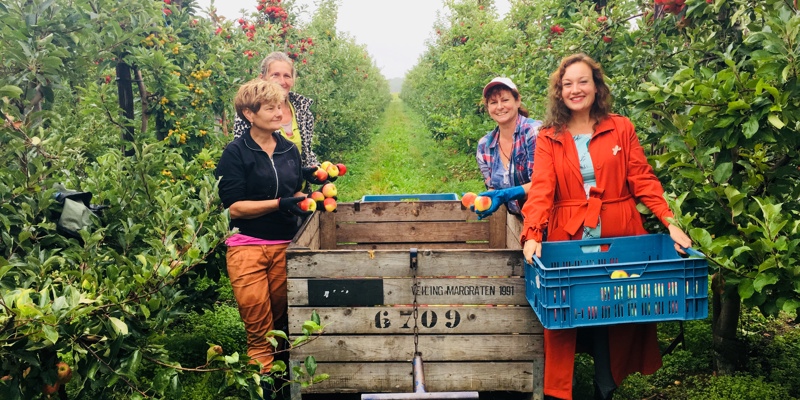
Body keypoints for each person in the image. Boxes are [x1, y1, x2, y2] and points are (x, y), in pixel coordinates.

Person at [519, 54, 693, 400]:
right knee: (571, 306)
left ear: (597, 87)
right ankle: (563, 388)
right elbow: (541, 189)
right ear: (559, 92)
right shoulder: (548, 136)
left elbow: (642, 179)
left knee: (614, 307)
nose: (575, 89)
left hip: (619, 231)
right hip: (570, 235)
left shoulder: (620, 127)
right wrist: (533, 233)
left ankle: (605, 386)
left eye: (583, 81)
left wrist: (670, 223)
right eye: (567, 84)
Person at [216, 79, 311, 376]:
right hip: (247, 246)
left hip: (284, 244)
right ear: (249, 114)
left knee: (282, 321)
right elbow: (234, 207)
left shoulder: (288, 150)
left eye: (280, 106)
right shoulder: (236, 153)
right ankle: (264, 383)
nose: (278, 113)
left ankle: (285, 379)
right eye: (269, 108)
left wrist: (311, 195)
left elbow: (294, 193)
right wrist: (279, 203)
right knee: (258, 323)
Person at [233, 51, 324, 185]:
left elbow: (307, 154)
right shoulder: (252, 112)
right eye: (275, 75)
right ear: (262, 78)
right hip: (263, 194)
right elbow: (245, 157)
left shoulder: (303, 110)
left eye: (287, 76)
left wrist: (317, 171)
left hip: (298, 195)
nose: (282, 81)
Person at [474, 77, 542, 219]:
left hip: (546, 219)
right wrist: (487, 200)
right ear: (488, 108)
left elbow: (543, 184)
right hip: (520, 222)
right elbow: (493, 188)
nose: (499, 107)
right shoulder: (485, 146)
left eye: (505, 100)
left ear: (517, 101)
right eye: (493, 102)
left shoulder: (533, 132)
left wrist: (506, 194)